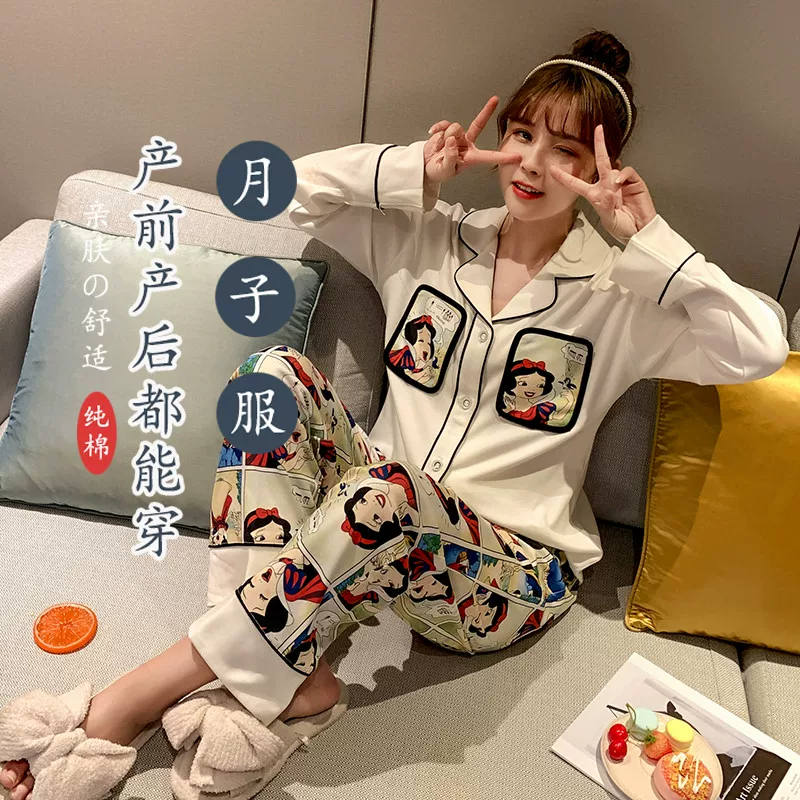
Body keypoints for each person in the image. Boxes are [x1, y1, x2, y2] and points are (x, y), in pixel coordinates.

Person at [0, 29, 789, 800]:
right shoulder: (428, 239)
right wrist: (413, 169)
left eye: (565, 152)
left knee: (392, 493)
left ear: (598, 171)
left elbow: (758, 346)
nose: (530, 163)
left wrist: (647, 237)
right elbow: (285, 191)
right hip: (372, 517)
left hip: (506, 573)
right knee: (270, 376)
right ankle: (290, 677)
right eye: (521, 135)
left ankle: (136, 697)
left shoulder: (621, 296)